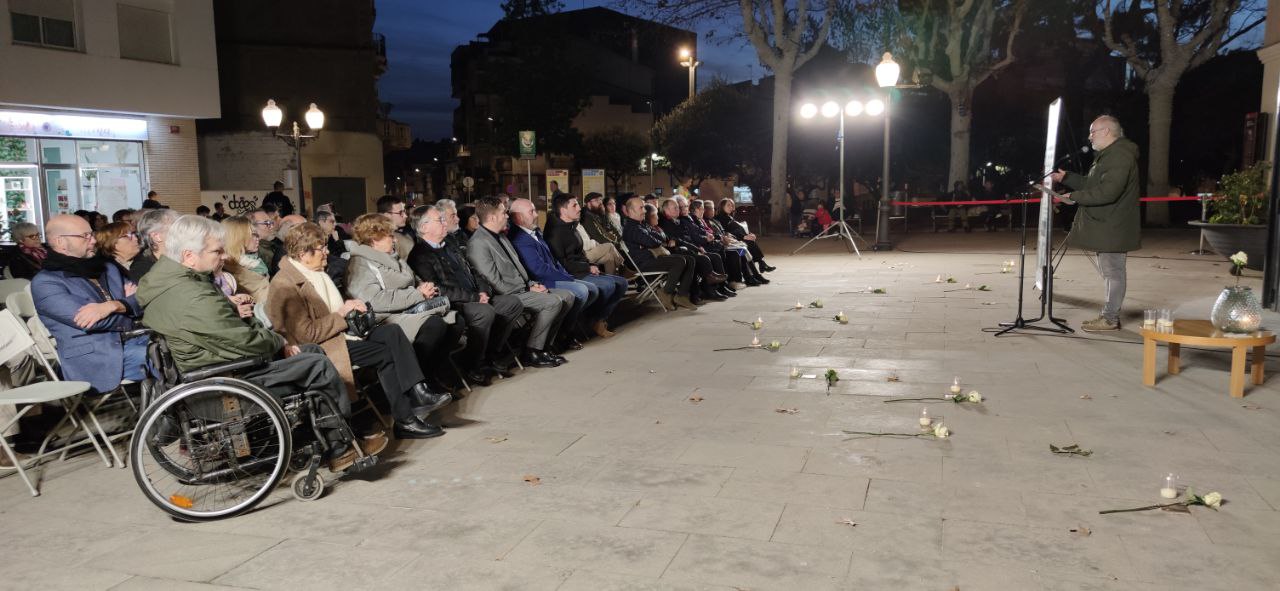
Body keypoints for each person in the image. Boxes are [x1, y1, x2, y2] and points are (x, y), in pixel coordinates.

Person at [137, 215, 384, 471]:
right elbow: (243, 339)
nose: (224, 256)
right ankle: (340, 448)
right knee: (317, 365)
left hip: (216, 366)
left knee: (311, 351)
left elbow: (232, 328)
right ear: (189, 256)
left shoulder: (167, 281)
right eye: (216, 251)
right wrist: (278, 340)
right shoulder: (192, 297)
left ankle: (329, 438)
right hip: (224, 382)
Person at [269, 222, 447, 439]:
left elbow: (330, 309)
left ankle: (418, 391)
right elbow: (308, 334)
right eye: (321, 248)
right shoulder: (285, 284)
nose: (327, 252)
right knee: (385, 354)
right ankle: (406, 420)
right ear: (302, 253)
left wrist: (353, 305)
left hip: (340, 334)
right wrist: (343, 312)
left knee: (392, 332)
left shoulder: (314, 272)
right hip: (322, 347)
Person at [346, 214, 460, 399]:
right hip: (385, 318)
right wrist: (417, 294)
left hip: (408, 309)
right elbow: (374, 300)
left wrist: (425, 287)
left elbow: (413, 279)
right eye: (389, 235)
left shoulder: (392, 256)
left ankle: (430, 375)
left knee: (456, 322)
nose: (394, 239)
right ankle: (421, 382)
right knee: (434, 326)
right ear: (374, 239)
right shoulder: (360, 264)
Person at [31, 214, 146, 395]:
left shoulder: (105, 268)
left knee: (179, 346)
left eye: (92, 234)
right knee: (162, 356)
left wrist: (113, 305)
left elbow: (142, 297)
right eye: (85, 236)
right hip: (99, 356)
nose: (93, 240)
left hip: (133, 339)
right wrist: (128, 309)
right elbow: (91, 321)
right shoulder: (46, 282)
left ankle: (173, 414)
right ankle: (172, 416)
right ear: (61, 242)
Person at [408, 205, 522, 383]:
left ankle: (491, 353)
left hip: (477, 296)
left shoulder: (451, 244)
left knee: (512, 303)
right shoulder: (419, 255)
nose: (445, 223)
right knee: (484, 313)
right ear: (424, 227)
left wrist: (483, 290)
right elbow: (438, 289)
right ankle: (471, 364)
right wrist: (475, 298)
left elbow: (474, 271)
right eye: (440, 220)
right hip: (455, 303)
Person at [1050, 115, 1141, 332]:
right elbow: (1092, 184)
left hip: (1113, 225)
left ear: (1107, 132)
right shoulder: (1108, 155)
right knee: (1111, 272)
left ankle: (1110, 318)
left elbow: (1107, 192)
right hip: (1108, 224)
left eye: (1093, 131)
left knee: (1113, 272)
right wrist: (1068, 178)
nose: (1089, 136)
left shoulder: (1119, 156)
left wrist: (1074, 196)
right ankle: (1109, 315)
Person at [466, 197, 574, 368]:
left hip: (523, 289)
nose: (507, 216)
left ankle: (544, 345)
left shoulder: (501, 236)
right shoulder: (478, 243)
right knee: (553, 302)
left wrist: (531, 284)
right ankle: (532, 350)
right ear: (492, 217)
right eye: (503, 213)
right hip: (509, 295)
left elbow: (519, 268)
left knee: (567, 296)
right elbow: (494, 283)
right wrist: (527, 289)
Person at [544, 193, 628, 337]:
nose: (579, 208)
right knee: (608, 285)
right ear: (563, 211)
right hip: (571, 274)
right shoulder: (555, 232)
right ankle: (591, 319)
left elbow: (580, 253)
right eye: (574, 205)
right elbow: (561, 263)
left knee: (622, 282)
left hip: (582, 269)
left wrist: (589, 264)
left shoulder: (571, 226)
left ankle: (598, 320)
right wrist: (587, 267)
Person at [621, 197, 697, 310]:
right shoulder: (632, 228)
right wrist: (653, 240)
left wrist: (653, 240)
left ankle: (681, 296)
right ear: (631, 211)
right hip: (643, 263)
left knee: (690, 259)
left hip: (652, 257)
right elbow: (652, 241)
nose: (645, 211)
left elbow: (661, 236)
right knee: (679, 261)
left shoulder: (641, 224)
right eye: (641, 208)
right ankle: (666, 292)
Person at [220, 216, 271, 304]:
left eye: (257, 235)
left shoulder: (251, 261)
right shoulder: (227, 269)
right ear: (238, 238)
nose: (258, 238)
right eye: (253, 235)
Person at [715, 198, 774, 274]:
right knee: (747, 246)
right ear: (722, 206)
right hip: (731, 243)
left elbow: (739, 228)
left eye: (732, 205)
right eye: (728, 205)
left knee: (750, 243)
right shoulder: (720, 218)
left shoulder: (729, 217)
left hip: (737, 241)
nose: (731, 207)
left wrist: (749, 234)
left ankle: (760, 265)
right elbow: (728, 232)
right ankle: (759, 266)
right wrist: (744, 237)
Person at [577, 192, 628, 275]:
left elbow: (610, 228)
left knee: (610, 257)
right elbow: (597, 236)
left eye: (600, 200)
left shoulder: (597, 213)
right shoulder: (586, 217)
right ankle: (623, 268)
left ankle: (612, 281)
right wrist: (615, 243)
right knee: (611, 246)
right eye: (597, 200)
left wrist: (603, 214)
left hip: (596, 245)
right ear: (588, 203)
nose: (600, 203)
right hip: (589, 248)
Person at [130, 207, 180, 282]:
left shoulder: (184, 259)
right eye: (178, 230)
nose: (185, 233)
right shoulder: (142, 271)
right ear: (157, 236)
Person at [375, 195, 415, 260]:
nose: (405, 216)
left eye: (404, 211)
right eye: (400, 213)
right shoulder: (382, 240)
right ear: (387, 215)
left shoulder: (406, 232)